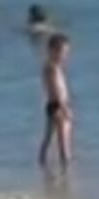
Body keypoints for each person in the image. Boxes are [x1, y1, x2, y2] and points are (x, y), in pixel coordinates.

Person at [39, 34, 74, 170]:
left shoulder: (52, 68)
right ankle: (66, 168)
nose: (64, 56)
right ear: (52, 51)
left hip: (53, 106)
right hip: (58, 106)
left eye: (66, 53)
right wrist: (64, 108)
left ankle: (43, 165)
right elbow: (56, 89)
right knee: (64, 141)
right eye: (61, 52)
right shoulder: (52, 69)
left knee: (48, 138)